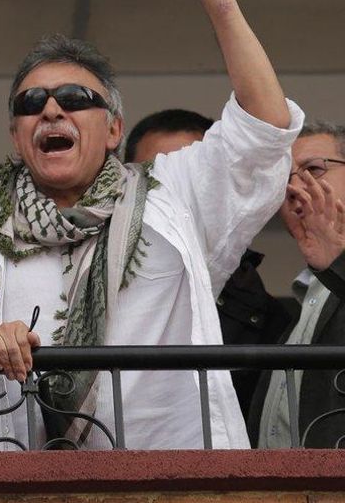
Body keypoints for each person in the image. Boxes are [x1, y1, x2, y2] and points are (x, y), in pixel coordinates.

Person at [0, 0, 302, 450]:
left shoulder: (173, 193)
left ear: (114, 128)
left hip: (168, 478)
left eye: (73, 96)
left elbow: (265, 127)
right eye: (30, 103)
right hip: (16, 489)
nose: (51, 109)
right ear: (16, 136)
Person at [125, 109, 291, 414]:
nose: (175, 193)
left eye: (194, 177)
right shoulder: (97, 288)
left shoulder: (273, 319)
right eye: (156, 178)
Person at [253, 122, 345, 448]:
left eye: (314, 169)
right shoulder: (308, 294)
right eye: (283, 178)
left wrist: (338, 262)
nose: (295, 187)